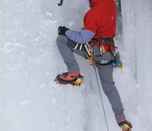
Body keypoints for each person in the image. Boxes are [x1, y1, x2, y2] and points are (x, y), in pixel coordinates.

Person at [55, 0, 132, 131]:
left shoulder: (93, 14)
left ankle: (74, 73)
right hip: (109, 53)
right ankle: (121, 119)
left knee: (61, 40)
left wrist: (66, 31)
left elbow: (83, 38)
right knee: (109, 87)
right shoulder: (110, 4)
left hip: (95, 50)